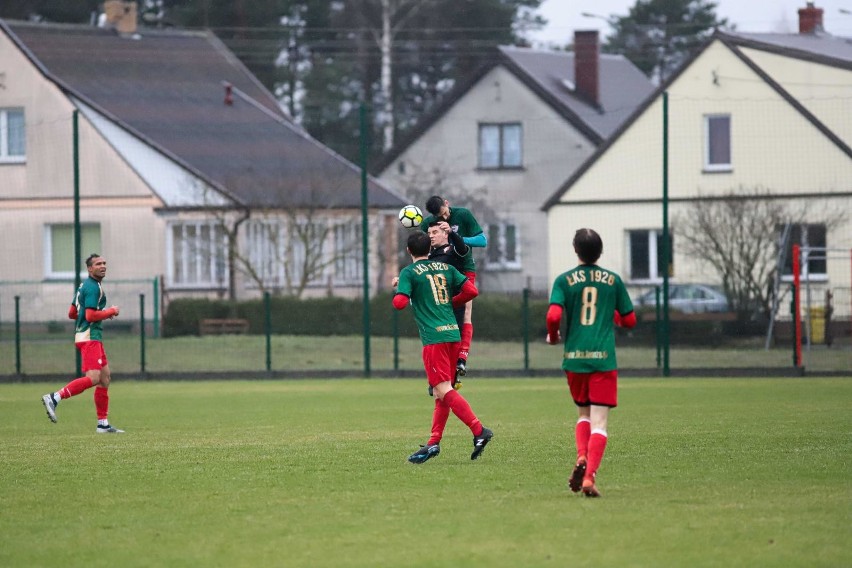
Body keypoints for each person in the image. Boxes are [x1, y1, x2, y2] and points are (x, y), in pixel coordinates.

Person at [546, 229, 636, 497]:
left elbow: (553, 315)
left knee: (583, 415)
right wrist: (615, 317)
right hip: (603, 359)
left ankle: (581, 456)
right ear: (600, 251)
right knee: (600, 423)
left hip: (574, 359)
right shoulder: (613, 280)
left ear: (576, 250)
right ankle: (589, 477)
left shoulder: (564, 280)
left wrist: (554, 337)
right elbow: (630, 320)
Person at [392, 231, 493, 464]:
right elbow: (472, 291)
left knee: (444, 389)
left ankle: (479, 431)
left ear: (409, 251)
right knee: (441, 393)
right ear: (429, 249)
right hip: (452, 334)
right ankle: (433, 442)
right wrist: (451, 301)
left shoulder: (408, 272)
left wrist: (401, 289)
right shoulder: (445, 268)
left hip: (434, 339)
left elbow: (399, 304)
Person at [42, 254, 124, 434]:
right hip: (89, 338)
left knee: (105, 378)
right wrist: (110, 311)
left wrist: (101, 313)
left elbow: (72, 313)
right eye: (98, 264)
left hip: (90, 337)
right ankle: (55, 397)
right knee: (94, 378)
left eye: (104, 263)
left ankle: (102, 424)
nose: (103, 266)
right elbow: (89, 316)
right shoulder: (92, 287)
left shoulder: (84, 286)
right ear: (89, 268)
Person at [422, 195, 486, 377]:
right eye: (439, 216)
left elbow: (482, 241)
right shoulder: (430, 223)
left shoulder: (463, 214)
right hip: (442, 271)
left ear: (447, 204)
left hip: (464, 268)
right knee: (443, 312)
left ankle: (461, 360)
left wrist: (455, 236)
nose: (443, 218)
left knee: (466, 312)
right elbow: (423, 245)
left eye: (444, 213)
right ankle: (445, 366)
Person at [426, 219, 474, 392]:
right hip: (436, 306)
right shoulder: (430, 255)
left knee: (453, 341)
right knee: (435, 342)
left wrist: (454, 233)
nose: (431, 236)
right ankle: (436, 380)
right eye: (429, 233)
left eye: (435, 232)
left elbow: (463, 249)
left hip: (453, 303)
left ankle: (451, 378)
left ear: (445, 233)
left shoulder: (453, 250)